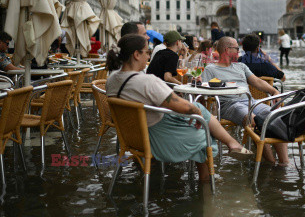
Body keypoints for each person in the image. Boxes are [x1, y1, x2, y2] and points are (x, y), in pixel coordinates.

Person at [106, 34, 253, 182]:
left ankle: (231, 144)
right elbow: (183, 106)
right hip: (156, 138)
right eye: (147, 52)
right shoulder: (146, 81)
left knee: (197, 108)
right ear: (137, 55)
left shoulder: (112, 80)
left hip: (132, 137)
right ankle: (207, 180)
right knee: (204, 132)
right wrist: (197, 114)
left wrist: (195, 111)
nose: (149, 55)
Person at [201, 36, 289, 166]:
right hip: (230, 105)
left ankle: (284, 164)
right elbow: (202, 92)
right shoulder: (210, 69)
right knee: (254, 121)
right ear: (227, 49)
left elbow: (257, 81)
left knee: (276, 116)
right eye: (237, 48)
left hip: (250, 102)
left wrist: (274, 91)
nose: (239, 51)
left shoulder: (241, 66)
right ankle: (271, 163)